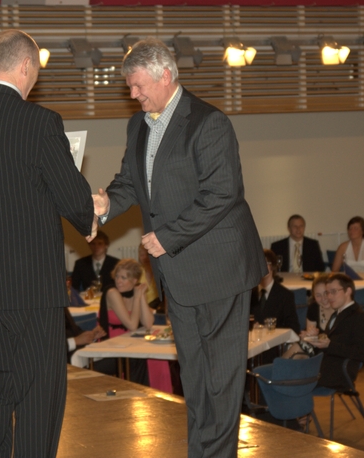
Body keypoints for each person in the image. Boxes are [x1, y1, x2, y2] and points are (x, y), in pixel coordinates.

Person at [92, 38, 265, 457]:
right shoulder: (138, 125)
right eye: (130, 87)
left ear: (165, 75)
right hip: (177, 272)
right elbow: (130, 183)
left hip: (220, 268)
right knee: (196, 377)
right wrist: (106, 204)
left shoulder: (208, 122)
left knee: (221, 380)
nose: (133, 94)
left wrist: (168, 237)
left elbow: (222, 193)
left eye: (138, 85)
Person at [0, 29, 95, 458]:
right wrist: (90, 213)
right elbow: (74, 199)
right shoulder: (40, 122)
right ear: (26, 66)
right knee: (38, 393)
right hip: (31, 286)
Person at [98, 258, 170, 391]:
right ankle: (139, 392)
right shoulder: (112, 293)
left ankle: (158, 394)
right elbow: (132, 325)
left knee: (157, 359)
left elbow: (148, 323)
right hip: (114, 342)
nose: (118, 281)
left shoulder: (135, 292)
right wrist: (137, 297)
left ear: (134, 280)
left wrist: (141, 296)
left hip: (131, 340)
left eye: (124, 278)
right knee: (145, 357)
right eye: (117, 276)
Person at [303, 273, 364, 389]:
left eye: (333, 292)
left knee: (283, 378)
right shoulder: (337, 314)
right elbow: (329, 345)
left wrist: (329, 345)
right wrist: (314, 339)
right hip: (324, 368)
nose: (329, 297)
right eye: (328, 292)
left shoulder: (359, 317)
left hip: (338, 374)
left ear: (348, 291)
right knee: (279, 374)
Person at [250, 249, 300, 333]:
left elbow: (294, 328)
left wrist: (270, 329)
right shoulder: (249, 295)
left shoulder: (285, 296)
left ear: (272, 266)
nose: (261, 268)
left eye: (265, 263)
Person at [138, 242, 161, 309]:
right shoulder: (136, 272)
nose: (145, 257)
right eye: (142, 255)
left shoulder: (160, 272)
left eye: (148, 254)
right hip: (141, 308)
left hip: (159, 308)